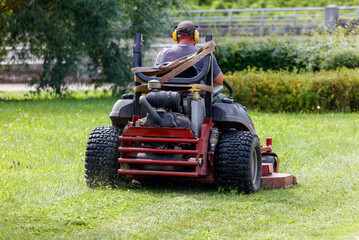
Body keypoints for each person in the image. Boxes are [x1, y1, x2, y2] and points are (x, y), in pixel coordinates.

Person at [155, 21, 224, 85]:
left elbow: (156, 75)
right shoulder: (205, 54)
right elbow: (219, 80)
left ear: (175, 36)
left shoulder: (162, 53)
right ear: (196, 36)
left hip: (166, 95)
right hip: (195, 97)